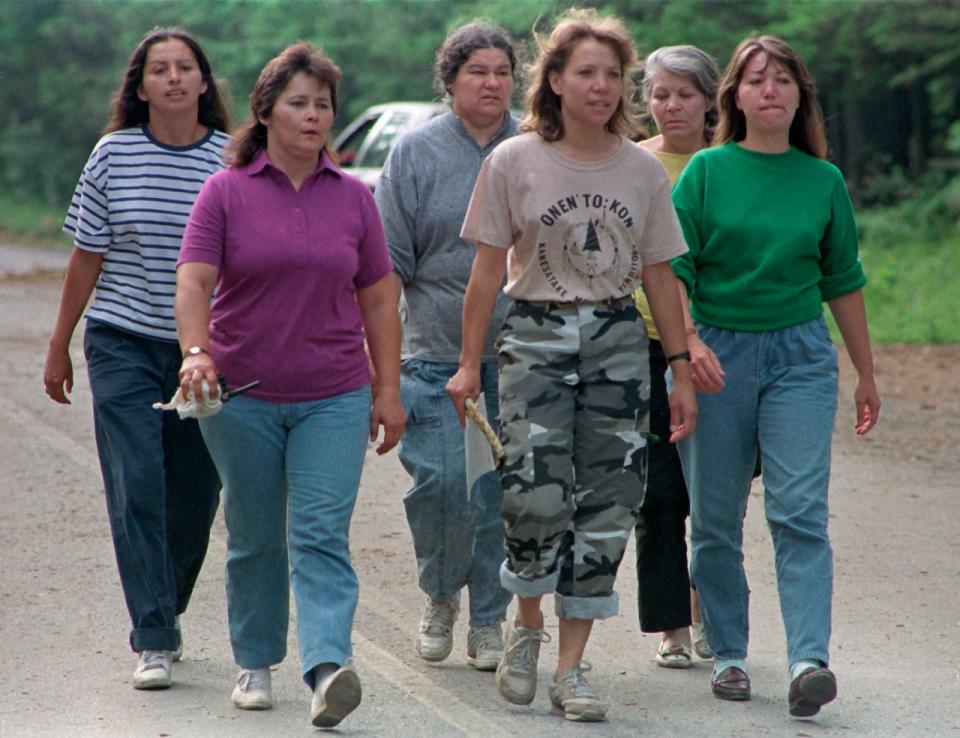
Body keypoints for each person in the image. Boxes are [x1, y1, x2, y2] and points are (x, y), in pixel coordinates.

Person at [446, 9, 697, 722]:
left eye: (613, 75)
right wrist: (468, 366)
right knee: (534, 492)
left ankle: (572, 667)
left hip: (619, 337)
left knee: (610, 501)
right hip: (536, 333)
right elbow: (486, 273)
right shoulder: (513, 161)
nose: (601, 86)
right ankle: (528, 625)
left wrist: (679, 369)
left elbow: (659, 276)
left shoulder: (642, 169)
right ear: (553, 81)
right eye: (585, 72)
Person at [175, 42, 403, 728]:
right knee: (254, 534)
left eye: (323, 105)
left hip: (333, 394)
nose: (312, 116)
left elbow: (380, 297)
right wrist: (195, 351)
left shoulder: (355, 198)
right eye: (298, 103)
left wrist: (387, 389)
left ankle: (327, 667)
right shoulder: (226, 191)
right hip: (240, 396)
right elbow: (194, 279)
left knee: (320, 533)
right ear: (267, 111)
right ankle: (255, 658)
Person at [670, 35, 881, 716]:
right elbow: (673, 270)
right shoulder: (704, 170)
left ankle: (807, 661)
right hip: (717, 356)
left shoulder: (822, 180)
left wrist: (865, 372)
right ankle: (728, 652)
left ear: (800, 94)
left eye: (783, 79)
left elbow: (842, 279)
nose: (770, 90)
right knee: (715, 517)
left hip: (800, 357)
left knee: (798, 513)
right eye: (756, 80)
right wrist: (687, 346)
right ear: (734, 94)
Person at [42, 26, 228, 691]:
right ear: (141, 86)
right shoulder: (113, 155)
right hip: (122, 339)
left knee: (195, 494)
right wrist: (60, 342)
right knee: (137, 485)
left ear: (204, 83)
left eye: (185, 67)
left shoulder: (231, 161)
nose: (174, 77)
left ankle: (165, 606)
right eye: (160, 69)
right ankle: (152, 634)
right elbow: (87, 254)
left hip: (204, 351)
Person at [375, 21, 517, 672]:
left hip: (518, 350)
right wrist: (380, 366)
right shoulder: (415, 151)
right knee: (439, 484)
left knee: (494, 492)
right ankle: (440, 596)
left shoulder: (533, 147)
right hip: (432, 345)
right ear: (450, 79)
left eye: (502, 72)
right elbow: (388, 268)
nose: (491, 83)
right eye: (477, 72)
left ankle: (490, 616)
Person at [632, 44, 720, 668]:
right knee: (659, 489)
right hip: (645, 341)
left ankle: (715, 602)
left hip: (725, 339)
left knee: (719, 487)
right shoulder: (632, 164)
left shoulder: (730, 162)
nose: (671, 105)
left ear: (710, 99)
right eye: (660, 94)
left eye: (684, 93)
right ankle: (672, 623)